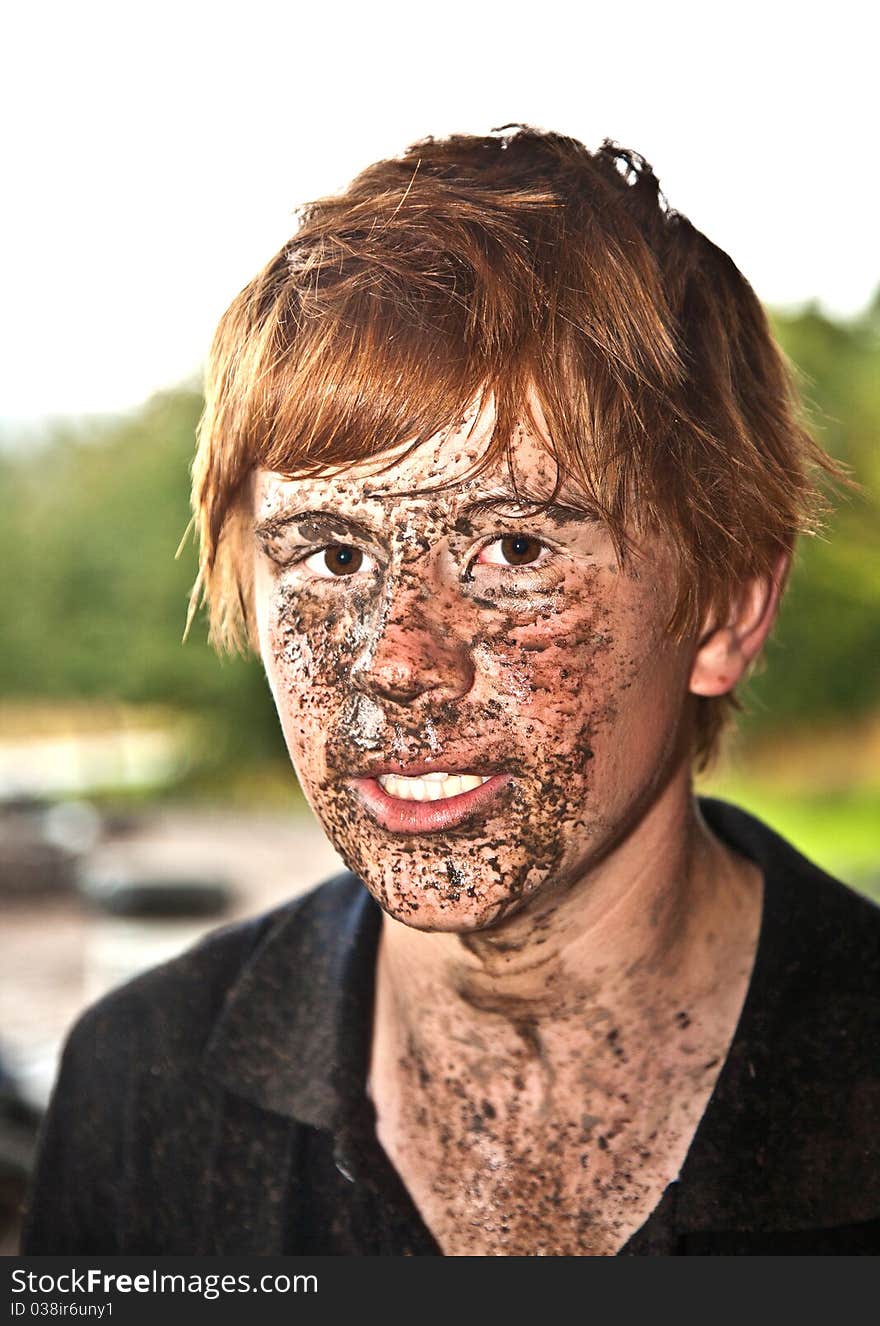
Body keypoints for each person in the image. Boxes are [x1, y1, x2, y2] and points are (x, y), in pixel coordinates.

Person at [22, 126, 880, 1255]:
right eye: (331, 555)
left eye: (514, 548)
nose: (399, 660)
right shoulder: (140, 1086)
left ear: (722, 612)